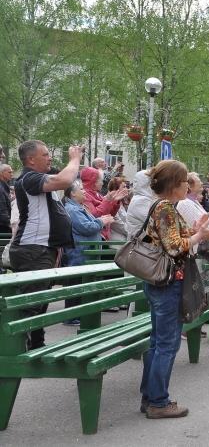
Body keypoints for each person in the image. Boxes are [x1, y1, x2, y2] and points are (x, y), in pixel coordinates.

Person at [139, 160, 209, 419]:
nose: (188, 186)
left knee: (158, 343)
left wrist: (199, 231)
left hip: (159, 282)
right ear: (175, 184)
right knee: (167, 344)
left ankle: (150, 396)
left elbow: (178, 238)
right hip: (168, 283)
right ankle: (158, 402)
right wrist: (198, 236)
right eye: (185, 181)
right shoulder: (165, 207)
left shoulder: (165, 207)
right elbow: (175, 247)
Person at [10, 140, 84, 350]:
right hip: (32, 249)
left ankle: (36, 348)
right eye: (45, 155)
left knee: (40, 304)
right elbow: (66, 179)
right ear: (31, 159)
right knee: (31, 306)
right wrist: (75, 159)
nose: (50, 158)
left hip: (41, 249)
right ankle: (13, 353)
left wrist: (75, 161)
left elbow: (70, 176)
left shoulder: (39, 175)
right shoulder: (29, 178)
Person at [63, 180, 114, 324]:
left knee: (82, 284)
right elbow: (85, 227)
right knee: (76, 284)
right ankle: (71, 316)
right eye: (81, 189)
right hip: (80, 253)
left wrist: (99, 220)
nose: (84, 191)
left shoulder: (79, 207)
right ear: (72, 193)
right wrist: (101, 222)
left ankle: (78, 314)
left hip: (86, 252)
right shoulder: (72, 209)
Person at [177, 172, 209, 337]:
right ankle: (188, 328)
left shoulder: (192, 201)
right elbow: (204, 223)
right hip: (193, 250)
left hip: (198, 249)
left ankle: (194, 325)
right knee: (192, 290)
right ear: (189, 185)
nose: (202, 184)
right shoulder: (184, 203)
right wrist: (201, 229)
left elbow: (206, 222)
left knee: (199, 289)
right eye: (198, 181)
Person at [80, 167, 128, 240]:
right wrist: (108, 200)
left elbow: (110, 215)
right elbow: (93, 215)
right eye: (101, 181)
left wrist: (115, 202)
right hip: (95, 237)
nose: (102, 183)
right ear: (94, 182)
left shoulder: (96, 194)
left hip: (101, 235)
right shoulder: (85, 196)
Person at [126, 170, 154, 240]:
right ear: (147, 182)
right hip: (142, 246)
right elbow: (153, 222)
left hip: (142, 244)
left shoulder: (141, 198)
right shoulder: (142, 201)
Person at [108, 177, 129, 243]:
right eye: (123, 187)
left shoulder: (121, 203)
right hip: (116, 242)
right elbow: (117, 223)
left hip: (123, 239)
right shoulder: (110, 202)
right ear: (115, 189)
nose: (126, 189)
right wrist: (133, 233)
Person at [0, 164, 14, 233]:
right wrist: (9, 223)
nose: (12, 174)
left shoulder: (4, 187)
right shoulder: (1, 188)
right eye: (9, 172)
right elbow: (2, 208)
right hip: (3, 226)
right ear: (1, 173)